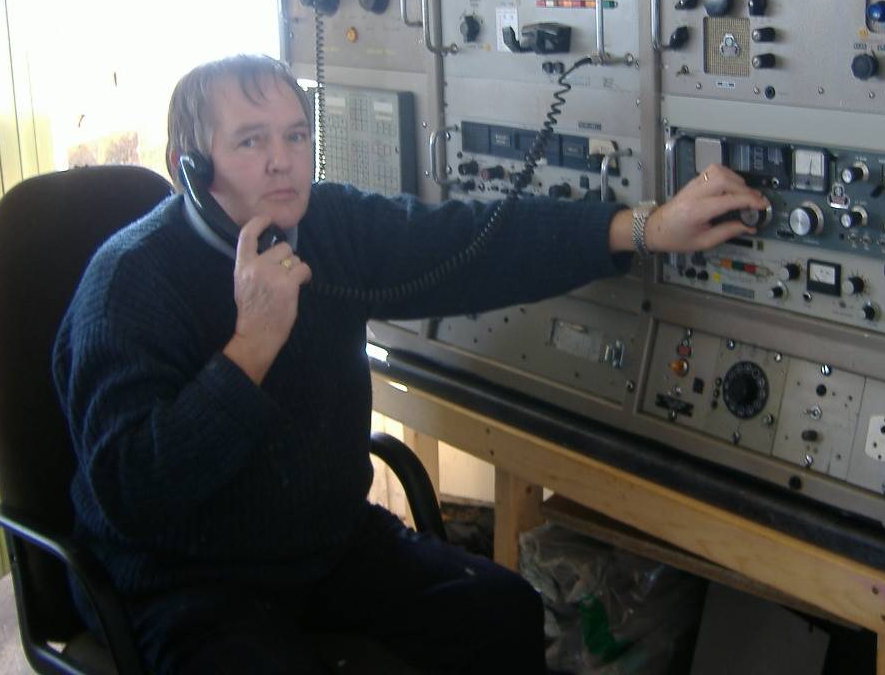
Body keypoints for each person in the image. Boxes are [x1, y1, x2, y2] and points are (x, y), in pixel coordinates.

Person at [53, 54, 767, 675]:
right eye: (251, 141)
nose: (283, 160)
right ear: (192, 165)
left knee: (501, 613)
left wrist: (644, 227)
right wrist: (251, 348)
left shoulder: (324, 225)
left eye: (296, 136)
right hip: (188, 580)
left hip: (322, 546)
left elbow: (464, 246)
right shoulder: (127, 286)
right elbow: (135, 493)